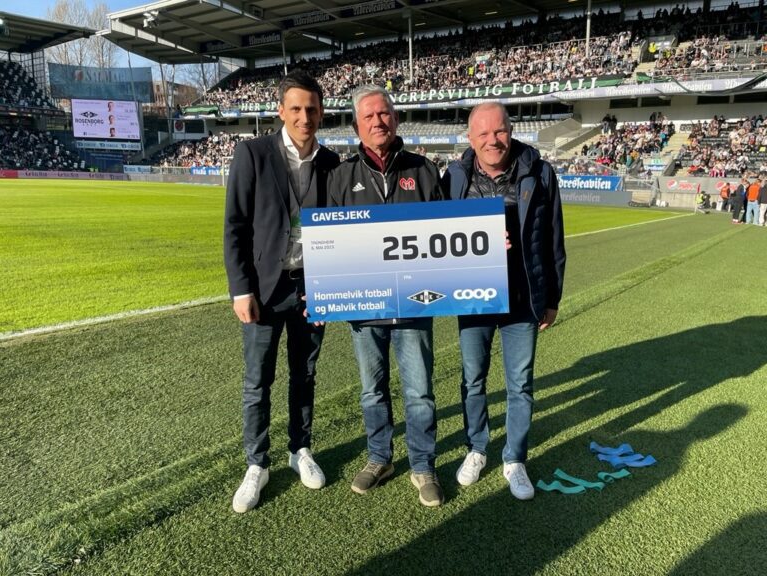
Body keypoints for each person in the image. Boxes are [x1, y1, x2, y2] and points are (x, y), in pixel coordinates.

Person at [223, 70, 340, 513]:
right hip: (265, 291)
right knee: (258, 381)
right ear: (281, 111)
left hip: (313, 289)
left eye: (311, 109)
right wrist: (240, 289)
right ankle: (257, 463)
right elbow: (234, 226)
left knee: (304, 375)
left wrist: (334, 287)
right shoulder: (251, 154)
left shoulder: (332, 164)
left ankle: (300, 450)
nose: (304, 117)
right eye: (295, 108)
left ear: (322, 112)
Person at [326, 85, 444, 507]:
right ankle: (380, 457)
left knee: (419, 391)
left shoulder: (425, 171)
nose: (378, 121)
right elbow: (329, 245)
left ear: (395, 119)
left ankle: (422, 464)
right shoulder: (340, 177)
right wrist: (326, 293)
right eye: (369, 116)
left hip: (416, 303)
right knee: (371, 390)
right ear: (357, 125)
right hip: (365, 306)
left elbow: (447, 238)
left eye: (385, 114)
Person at [442, 102, 566, 500]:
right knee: (473, 380)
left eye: (500, 132)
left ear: (510, 131)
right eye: (483, 134)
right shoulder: (455, 176)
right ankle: (477, 449)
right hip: (473, 297)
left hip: (523, 299)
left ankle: (515, 458)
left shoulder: (540, 172)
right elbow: (440, 237)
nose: (493, 141)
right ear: (470, 138)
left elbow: (553, 240)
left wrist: (552, 299)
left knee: (520, 384)